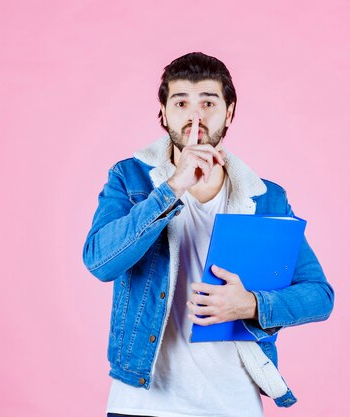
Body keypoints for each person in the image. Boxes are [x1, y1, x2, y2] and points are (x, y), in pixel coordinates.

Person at [82, 52, 335, 417]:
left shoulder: (266, 198)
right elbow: (100, 261)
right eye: (181, 102)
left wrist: (250, 304)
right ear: (163, 113)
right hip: (141, 402)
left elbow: (319, 296)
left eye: (208, 102)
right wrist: (172, 187)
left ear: (229, 113)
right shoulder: (130, 179)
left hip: (233, 404)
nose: (194, 116)